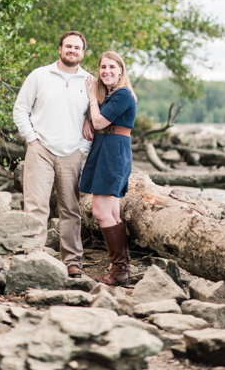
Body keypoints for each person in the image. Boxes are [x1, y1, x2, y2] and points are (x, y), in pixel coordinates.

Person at [13, 31, 93, 278]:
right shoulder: (39, 75)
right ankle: (33, 255)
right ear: (59, 49)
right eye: (68, 46)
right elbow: (20, 110)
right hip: (41, 150)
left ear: (82, 52)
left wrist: (83, 148)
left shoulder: (90, 81)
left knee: (70, 209)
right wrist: (33, 139)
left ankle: (72, 262)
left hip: (72, 152)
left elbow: (93, 120)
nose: (72, 50)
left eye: (77, 47)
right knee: (36, 206)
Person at [80, 51, 138, 286]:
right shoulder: (113, 94)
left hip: (113, 153)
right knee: (112, 213)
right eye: (103, 67)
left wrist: (92, 99)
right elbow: (97, 119)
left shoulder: (123, 93)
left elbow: (100, 121)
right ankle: (121, 269)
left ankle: (120, 270)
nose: (107, 71)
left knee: (101, 213)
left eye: (112, 67)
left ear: (121, 70)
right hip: (107, 149)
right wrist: (88, 116)